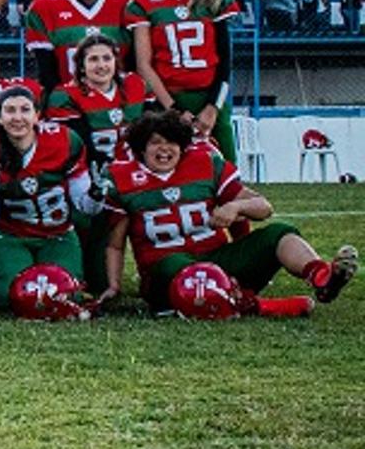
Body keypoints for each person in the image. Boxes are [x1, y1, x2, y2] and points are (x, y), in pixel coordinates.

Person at [102, 109, 354, 310]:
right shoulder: (123, 178)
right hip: (166, 270)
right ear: (141, 149)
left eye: (171, 142)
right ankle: (256, 306)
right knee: (174, 264)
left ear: (183, 145)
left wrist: (235, 206)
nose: (164, 149)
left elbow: (264, 207)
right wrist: (113, 285)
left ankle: (321, 276)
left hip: (216, 257)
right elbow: (115, 243)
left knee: (280, 233)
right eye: (155, 143)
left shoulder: (205, 163)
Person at [0, 87, 97, 308]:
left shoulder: (64, 140)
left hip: (57, 234)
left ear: (37, 115)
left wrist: (96, 194)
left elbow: (86, 207)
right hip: (9, 237)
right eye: (10, 111)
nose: (18, 117)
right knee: (15, 299)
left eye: (25, 110)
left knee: (65, 298)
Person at [126, 0, 241, 161]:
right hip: (166, 100)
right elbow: (144, 64)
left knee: (227, 174)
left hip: (210, 97)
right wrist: (174, 110)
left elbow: (225, 59)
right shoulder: (144, 2)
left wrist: (213, 108)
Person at [46, 34, 147, 289]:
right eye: (93, 59)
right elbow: (79, 146)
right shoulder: (64, 95)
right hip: (90, 176)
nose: (101, 65)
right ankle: (83, 270)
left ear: (116, 61)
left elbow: (150, 131)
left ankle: (151, 270)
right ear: (80, 65)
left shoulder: (135, 85)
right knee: (97, 275)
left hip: (132, 172)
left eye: (106, 58)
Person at [22, 0, 130, 94]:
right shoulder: (45, 9)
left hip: (118, 101)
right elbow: (47, 72)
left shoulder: (124, 5)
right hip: (71, 102)